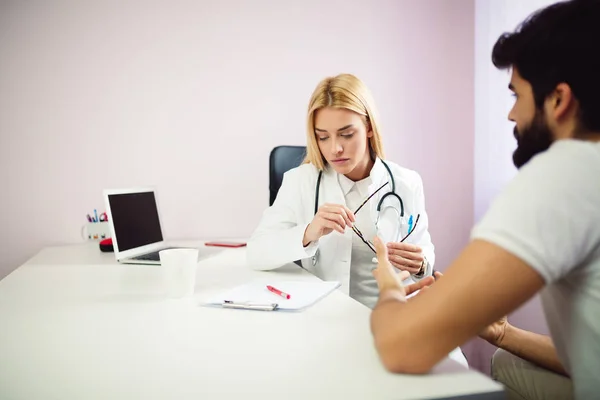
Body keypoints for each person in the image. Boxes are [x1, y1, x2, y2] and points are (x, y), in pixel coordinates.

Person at [368, 1, 600, 399]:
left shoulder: (567, 173)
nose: (511, 115)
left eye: (517, 95)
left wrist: (388, 287)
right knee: (503, 361)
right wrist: (504, 333)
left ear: (559, 100)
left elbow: (400, 346)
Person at [247, 73, 467, 366]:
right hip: (326, 325)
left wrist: (421, 262)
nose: (334, 148)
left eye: (347, 134)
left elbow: (423, 249)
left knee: (453, 375)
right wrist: (309, 232)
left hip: (395, 318)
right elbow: (257, 252)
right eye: (323, 137)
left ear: (369, 128)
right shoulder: (300, 181)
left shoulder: (405, 183)